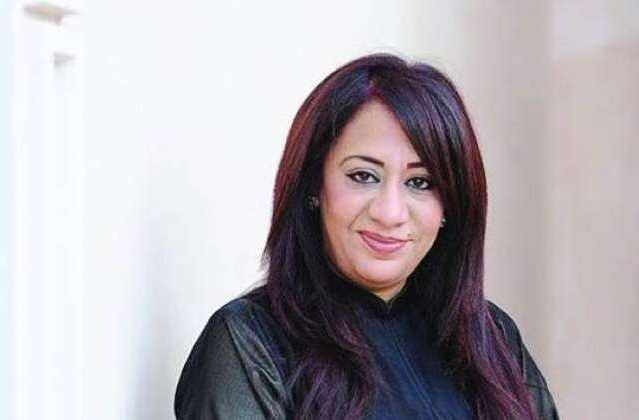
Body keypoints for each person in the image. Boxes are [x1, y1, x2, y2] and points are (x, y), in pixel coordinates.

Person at [174, 53, 559, 419]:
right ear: (314, 184)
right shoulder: (250, 344)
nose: (390, 213)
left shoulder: (492, 338)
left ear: (451, 206)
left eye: (420, 182)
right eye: (363, 176)